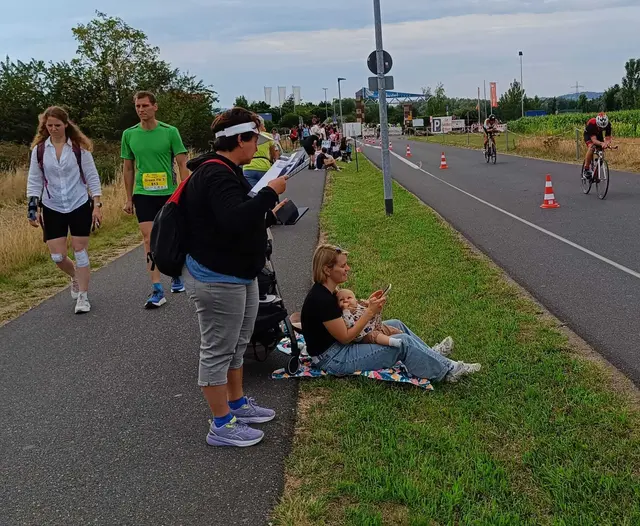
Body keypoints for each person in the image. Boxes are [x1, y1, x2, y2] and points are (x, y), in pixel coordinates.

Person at [181, 107, 289, 447]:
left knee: (238, 344)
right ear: (240, 139)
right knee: (218, 349)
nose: (258, 145)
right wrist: (270, 192)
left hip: (237, 272)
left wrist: (267, 212)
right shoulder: (216, 174)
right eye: (254, 138)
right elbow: (233, 219)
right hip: (217, 276)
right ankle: (221, 424)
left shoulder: (228, 170)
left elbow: (233, 219)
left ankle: (237, 403)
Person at [300, 245, 481, 383]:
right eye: (343, 265)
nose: (348, 268)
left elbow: (348, 319)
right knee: (402, 343)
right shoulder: (321, 300)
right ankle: (448, 370)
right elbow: (346, 337)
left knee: (397, 324)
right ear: (327, 270)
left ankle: (431, 354)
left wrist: (366, 306)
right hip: (334, 358)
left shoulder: (329, 292)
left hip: (338, 348)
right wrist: (369, 313)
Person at [27, 106, 103, 314]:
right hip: (53, 206)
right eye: (49, 125)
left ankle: (83, 296)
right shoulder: (39, 150)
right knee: (58, 257)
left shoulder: (78, 148)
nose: (53, 129)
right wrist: (32, 209)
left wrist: (97, 205)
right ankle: (75, 277)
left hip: (79, 203)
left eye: (57, 125)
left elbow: (92, 177)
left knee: (80, 251)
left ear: (66, 125)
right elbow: (34, 180)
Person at [121, 91, 189, 308]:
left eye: (145, 105)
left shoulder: (170, 132)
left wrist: (185, 191)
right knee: (148, 238)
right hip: (143, 193)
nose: (141, 110)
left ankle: (176, 273)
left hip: (168, 192)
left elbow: (182, 163)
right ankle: (157, 288)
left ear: (155, 107)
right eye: (137, 106)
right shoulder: (129, 134)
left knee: (171, 236)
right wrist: (128, 198)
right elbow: (128, 168)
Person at [337, 289, 402, 347]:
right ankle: (391, 342)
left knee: (391, 329)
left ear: (356, 301)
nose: (345, 300)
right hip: (364, 335)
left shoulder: (359, 306)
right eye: (341, 300)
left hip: (376, 326)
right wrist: (346, 310)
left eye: (349, 298)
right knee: (375, 336)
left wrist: (368, 303)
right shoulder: (344, 315)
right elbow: (350, 325)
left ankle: (402, 335)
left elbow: (368, 309)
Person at [243, 117, 280, 187]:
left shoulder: (246, 136)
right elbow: (274, 153)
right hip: (264, 167)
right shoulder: (268, 136)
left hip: (248, 168)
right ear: (261, 125)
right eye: (264, 125)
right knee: (267, 190)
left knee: (253, 192)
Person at [583, 112, 613, 179]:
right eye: (600, 127)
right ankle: (586, 169)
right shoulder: (592, 124)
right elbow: (594, 140)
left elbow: (608, 138)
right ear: (597, 123)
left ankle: (596, 170)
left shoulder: (608, 124)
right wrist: (602, 143)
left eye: (603, 128)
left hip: (598, 133)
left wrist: (606, 144)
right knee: (592, 147)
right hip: (589, 134)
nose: (602, 129)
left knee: (601, 151)